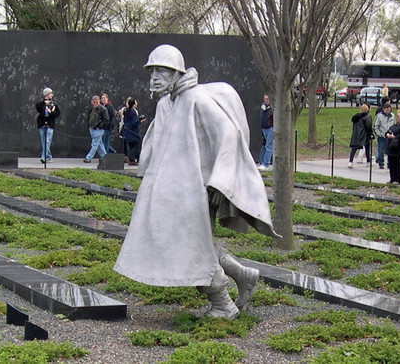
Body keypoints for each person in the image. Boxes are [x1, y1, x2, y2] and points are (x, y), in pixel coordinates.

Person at [113, 44, 278, 319]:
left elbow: (228, 136)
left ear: (176, 73)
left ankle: (222, 302)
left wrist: (219, 182)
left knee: (189, 243)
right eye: (151, 71)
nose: (154, 77)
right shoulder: (166, 103)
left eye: (161, 71)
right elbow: (157, 144)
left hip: (196, 190)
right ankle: (242, 275)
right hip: (172, 191)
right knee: (195, 240)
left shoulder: (197, 100)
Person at [36, 87, 60, 164]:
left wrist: (50, 112)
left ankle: (43, 157)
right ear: (47, 95)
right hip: (42, 124)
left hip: (50, 124)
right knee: (44, 142)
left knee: (47, 141)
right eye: (50, 93)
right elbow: (38, 108)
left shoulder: (54, 104)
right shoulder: (41, 104)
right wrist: (44, 103)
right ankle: (48, 156)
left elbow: (57, 114)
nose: (52, 95)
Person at [385, 108, 400, 185]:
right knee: (391, 163)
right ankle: (392, 178)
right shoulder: (395, 125)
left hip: (398, 148)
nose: (397, 117)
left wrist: (394, 137)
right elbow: (389, 130)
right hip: (391, 147)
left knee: (397, 164)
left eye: (399, 116)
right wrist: (387, 134)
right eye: (397, 116)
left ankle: (397, 179)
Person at [83, 95, 108, 163]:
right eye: (94, 102)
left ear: (99, 101)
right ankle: (105, 156)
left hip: (98, 129)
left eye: (96, 102)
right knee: (99, 144)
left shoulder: (103, 109)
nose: (95, 104)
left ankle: (89, 157)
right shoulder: (91, 109)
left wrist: (99, 126)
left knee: (94, 144)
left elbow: (106, 120)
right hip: (92, 128)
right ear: (92, 102)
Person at [373, 103, 394, 169]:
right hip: (382, 136)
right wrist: (379, 134)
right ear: (383, 109)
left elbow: (394, 124)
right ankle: (381, 163)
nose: (388, 111)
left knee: (390, 150)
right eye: (386, 110)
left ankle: (389, 163)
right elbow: (376, 126)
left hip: (390, 136)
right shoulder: (379, 116)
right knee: (381, 150)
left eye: (389, 110)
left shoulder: (392, 116)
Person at [121, 97, 143, 165]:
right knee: (137, 143)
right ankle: (129, 156)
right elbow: (134, 123)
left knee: (131, 145)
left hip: (127, 131)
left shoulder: (126, 111)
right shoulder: (133, 112)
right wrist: (140, 121)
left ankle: (132, 160)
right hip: (132, 132)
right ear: (133, 104)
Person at [258, 94, 273, 170]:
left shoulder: (272, 107)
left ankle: (265, 164)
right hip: (264, 127)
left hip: (270, 127)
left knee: (268, 146)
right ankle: (261, 161)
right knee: (264, 145)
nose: (266, 100)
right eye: (265, 99)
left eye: (267, 99)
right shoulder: (263, 107)